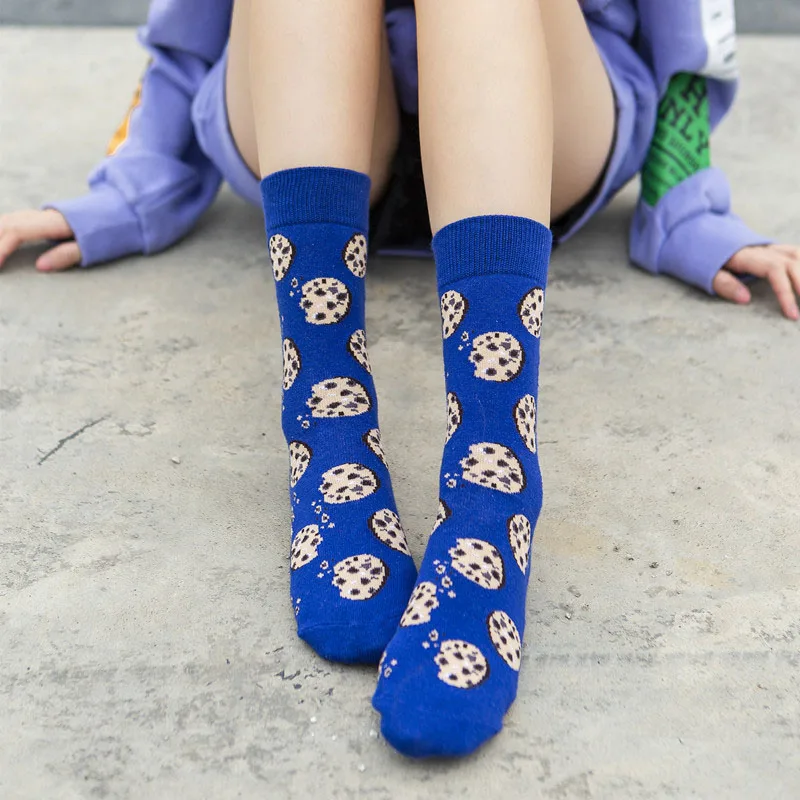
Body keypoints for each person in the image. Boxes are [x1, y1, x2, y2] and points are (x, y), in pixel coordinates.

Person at [0, 1, 797, 759]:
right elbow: (191, 26)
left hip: (545, 113)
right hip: (308, 111)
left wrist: (689, 204)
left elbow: (687, 25)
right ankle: (328, 419)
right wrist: (136, 180)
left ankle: (493, 480)